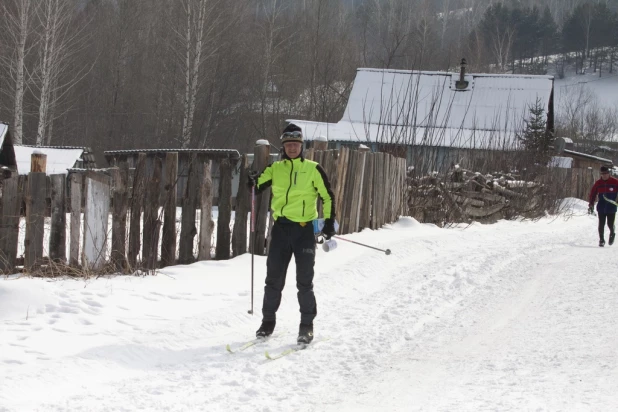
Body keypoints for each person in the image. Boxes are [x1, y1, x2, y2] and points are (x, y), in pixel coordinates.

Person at [248, 123, 336, 344]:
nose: (292, 148)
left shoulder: (313, 168)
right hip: (280, 230)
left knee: (304, 281)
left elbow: (328, 196)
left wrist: (328, 225)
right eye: (288, 145)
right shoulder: (275, 169)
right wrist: (251, 180)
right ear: (284, 147)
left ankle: (306, 326)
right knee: (273, 279)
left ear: (301, 145)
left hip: (304, 231)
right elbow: (256, 187)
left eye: (296, 144)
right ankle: (267, 322)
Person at [588, 165, 618, 247]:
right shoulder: (598, 183)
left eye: (606, 173)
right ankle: (601, 240)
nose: (604, 175)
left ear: (609, 173)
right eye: (603, 174)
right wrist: (591, 204)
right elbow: (593, 194)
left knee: (610, 224)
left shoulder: (615, 182)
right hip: (601, 207)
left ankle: (612, 233)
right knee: (601, 224)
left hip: (611, 207)